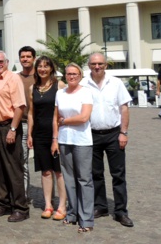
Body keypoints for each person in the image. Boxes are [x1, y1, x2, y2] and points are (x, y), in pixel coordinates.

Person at [82, 52, 133, 227]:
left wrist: (123, 132)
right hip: (92, 135)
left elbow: (124, 108)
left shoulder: (116, 83)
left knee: (118, 175)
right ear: (89, 65)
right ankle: (101, 206)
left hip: (113, 134)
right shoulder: (83, 84)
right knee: (96, 174)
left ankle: (120, 211)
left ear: (106, 65)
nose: (97, 67)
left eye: (100, 64)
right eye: (94, 64)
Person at [0, 50, 29, 222]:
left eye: (0, 62)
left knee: (13, 168)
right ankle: (2, 203)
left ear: (7, 62)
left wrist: (13, 129)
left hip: (8, 127)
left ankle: (20, 207)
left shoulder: (13, 78)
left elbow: (20, 106)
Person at [52, 63, 94, 233]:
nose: (72, 76)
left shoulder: (86, 92)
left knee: (84, 179)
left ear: (80, 75)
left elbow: (84, 117)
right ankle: (72, 214)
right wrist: (55, 139)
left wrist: (65, 121)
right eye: (69, 74)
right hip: (64, 139)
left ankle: (86, 219)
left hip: (82, 140)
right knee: (68, 178)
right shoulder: (60, 93)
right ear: (65, 76)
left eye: (75, 73)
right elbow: (55, 118)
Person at [27, 56, 67, 220]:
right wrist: (30, 133)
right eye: (40, 66)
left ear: (51, 68)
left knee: (59, 171)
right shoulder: (33, 88)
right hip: (39, 134)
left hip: (56, 134)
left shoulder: (60, 85)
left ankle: (62, 205)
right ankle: (48, 205)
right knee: (45, 171)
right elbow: (31, 113)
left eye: (46, 66)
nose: (42, 69)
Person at [17, 45, 36, 199]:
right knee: (21, 161)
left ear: (34, 58)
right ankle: (22, 195)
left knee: (49, 164)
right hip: (21, 124)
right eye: (23, 57)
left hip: (40, 125)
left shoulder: (41, 76)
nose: (25, 59)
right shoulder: (16, 78)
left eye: (28, 56)